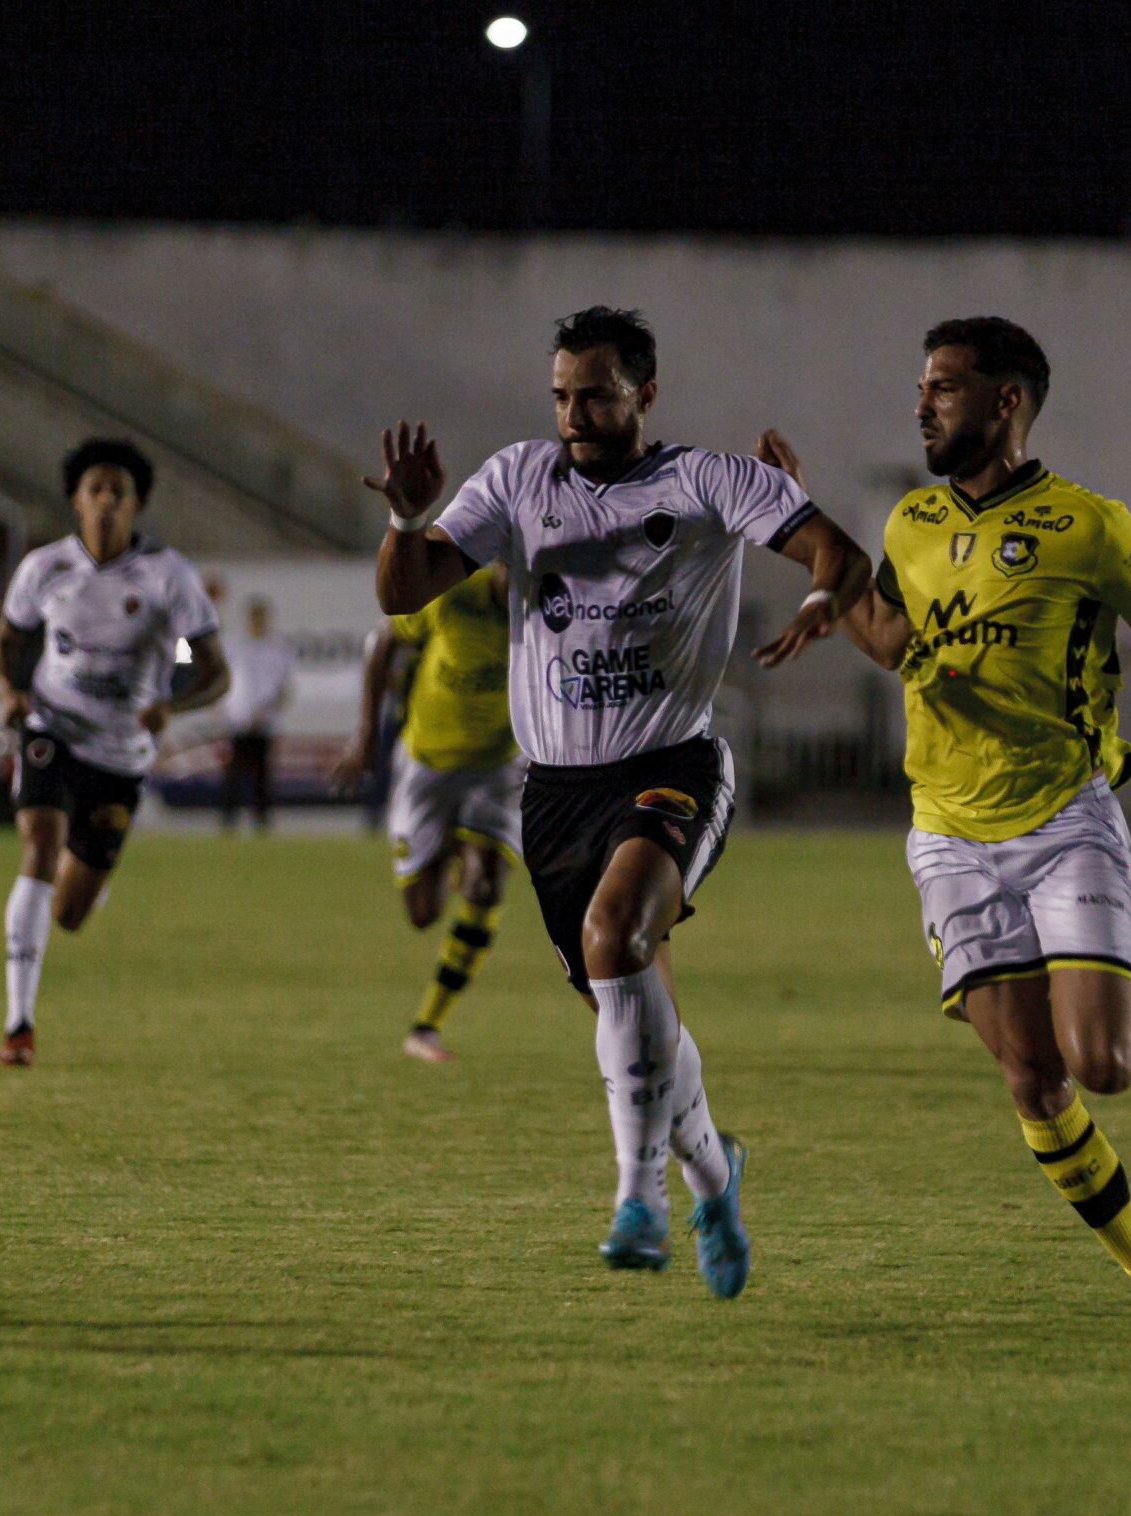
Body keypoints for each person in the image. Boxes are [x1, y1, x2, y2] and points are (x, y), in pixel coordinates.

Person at [800, 316, 1131, 1340]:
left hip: (1063, 820)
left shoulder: (1088, 526)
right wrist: (823, 587)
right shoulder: (912, 523)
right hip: (947, 834)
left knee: (1102, 1067)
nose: (921, 404)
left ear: (1006, 402)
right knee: (1031, 1076)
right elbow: (891, 636)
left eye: (946, 388)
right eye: (921, 387)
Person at [368, 306, 874, 1299]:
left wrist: (821, 598)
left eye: (594, 393)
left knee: (613, 937)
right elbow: (405, 591)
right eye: (561, 394)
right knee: (628, 1003)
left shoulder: (708, 480)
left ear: (645, 393)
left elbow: (837, 553)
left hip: (671, 764)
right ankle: (712, 1176)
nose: (574, 413)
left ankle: (635, 1199)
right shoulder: (519, 479)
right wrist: (404, 519)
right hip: (553, 792)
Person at [0, 438, 229, 1067]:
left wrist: (172, 705)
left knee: (70, 914)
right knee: (37, 843)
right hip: (50, 728)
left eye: (119, 491)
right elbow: (2, 642)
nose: (106, 501)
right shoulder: (45, 568)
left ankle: (85, 877)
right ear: (76, 499)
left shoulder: (167, 576)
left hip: (120, 754)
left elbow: (216, 672)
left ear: (137, 504)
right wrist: (9, 691)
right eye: (95, 488)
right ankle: (19, 1024)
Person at [330, 563, 519, 1064]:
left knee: (485, 887)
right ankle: (460, 840)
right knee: (423, 913)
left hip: (497, 767)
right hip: (427, 765)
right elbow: (382, 642)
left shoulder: (551, 610)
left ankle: (428, 1025)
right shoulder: (453, 595)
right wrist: (367, 732)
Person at [219, 597, 294, 832]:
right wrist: (225, 712)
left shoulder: (277, 649)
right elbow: (225, 682)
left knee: (263, 775)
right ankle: (228, 821)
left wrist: (270, 711)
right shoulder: (235, 646)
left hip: (265, 722)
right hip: (239, 720)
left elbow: (284, 687)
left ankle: (261, 822)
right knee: (233, 774)